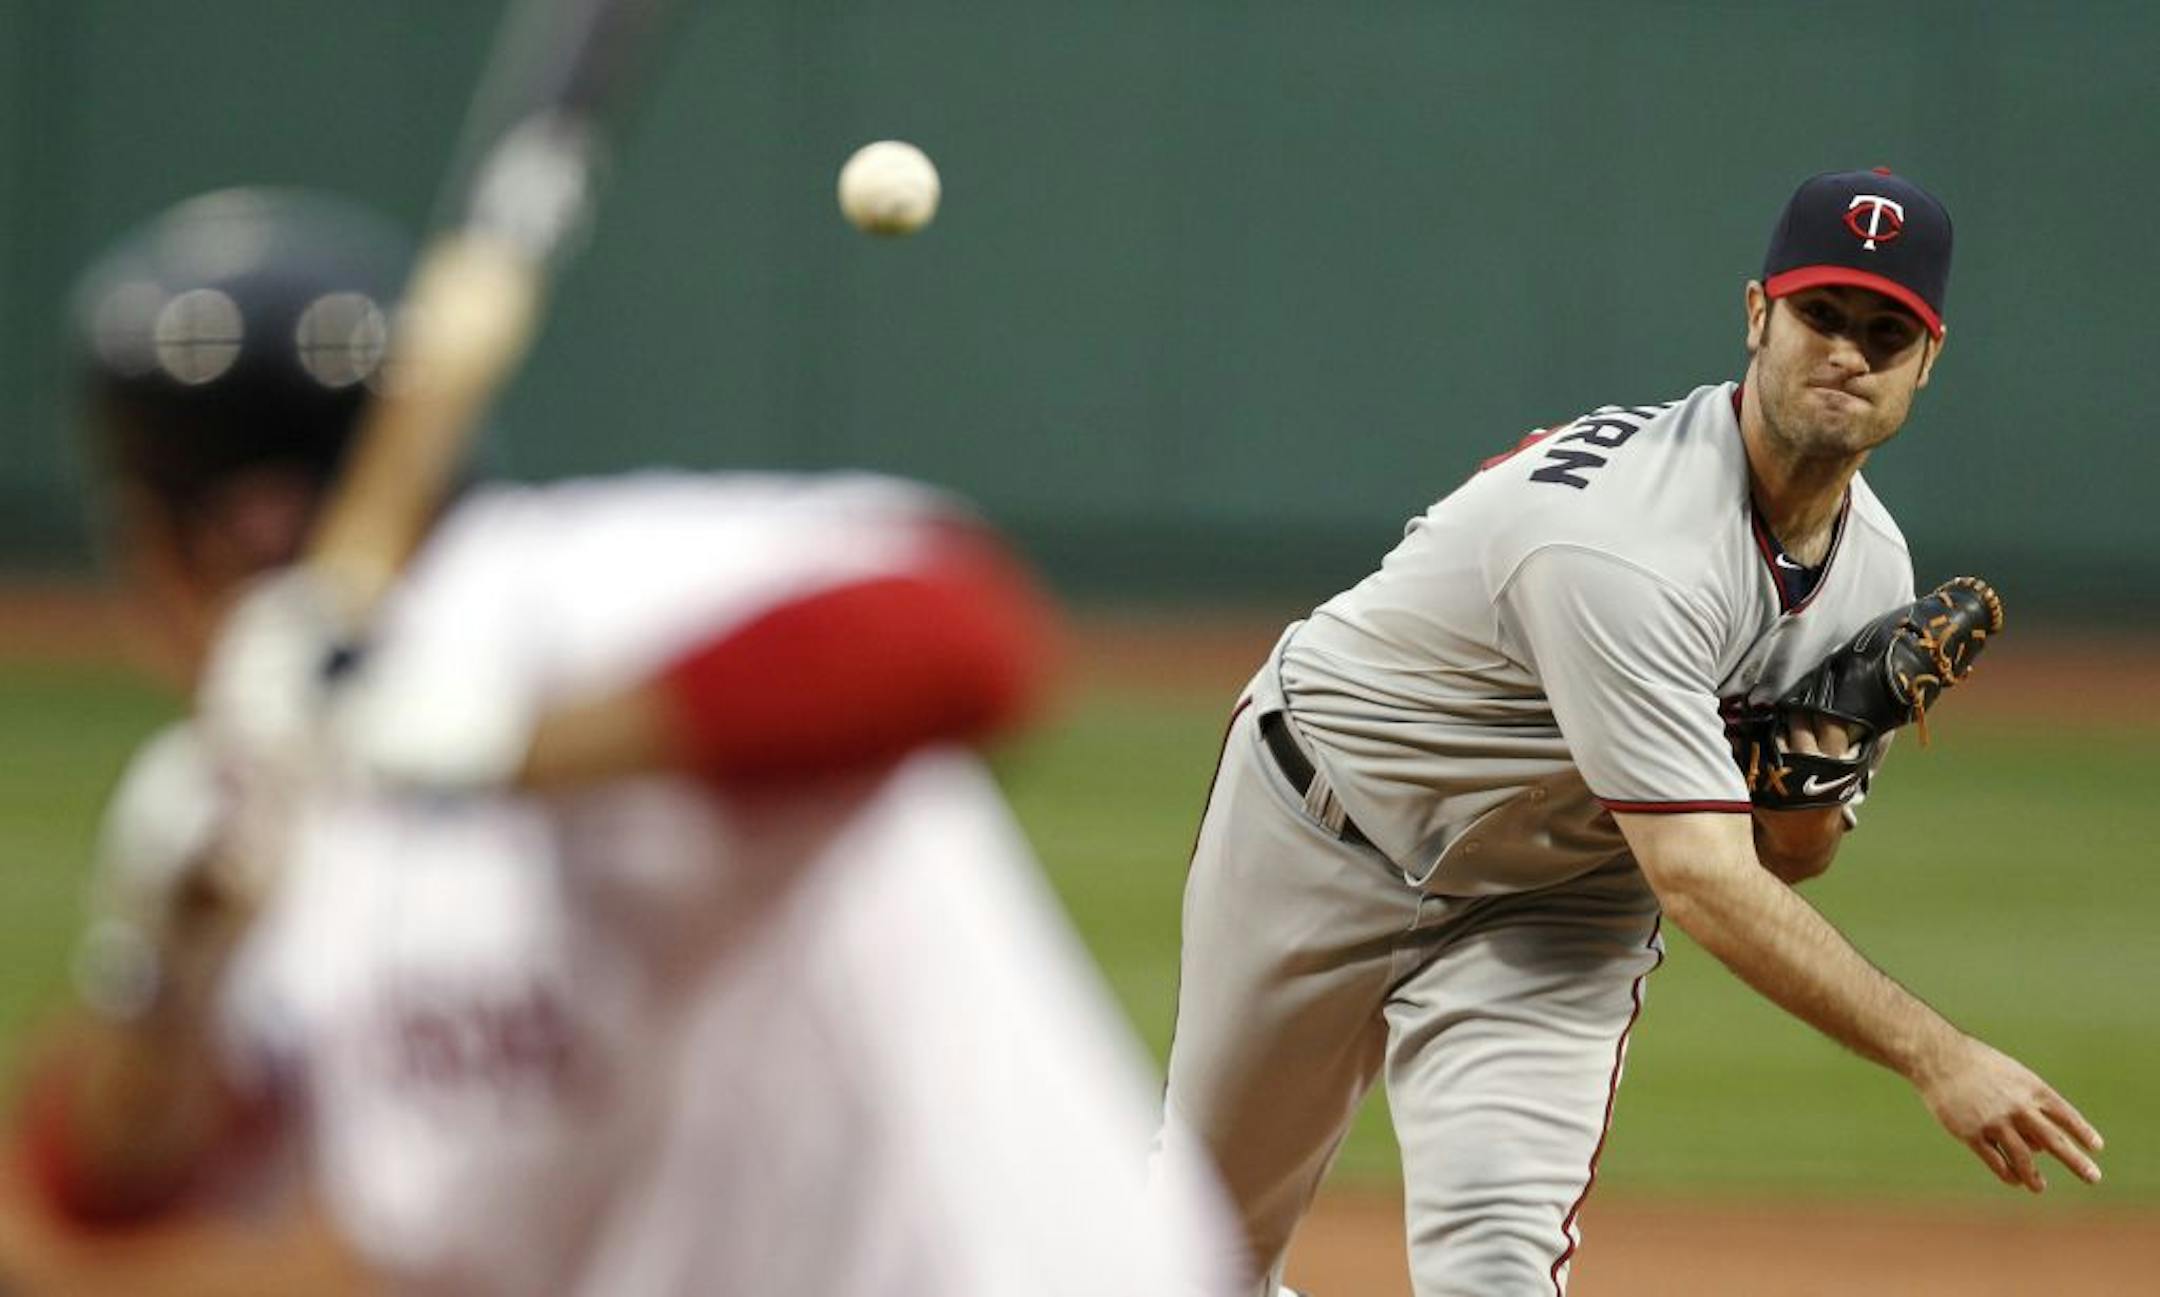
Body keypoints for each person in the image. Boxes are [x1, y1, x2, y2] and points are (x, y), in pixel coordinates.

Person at [9, 187, 1239, 1296]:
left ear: (169, 540)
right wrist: (167, 976)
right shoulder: (251, 788)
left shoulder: (573, 585)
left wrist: (488, 745)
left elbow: (961, 637)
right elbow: (102, 1185)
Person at [1156, 168, 2105, 1297]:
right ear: (1759, 315)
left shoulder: (1873, 573)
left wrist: (1821, 750)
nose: (1849, 351)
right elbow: (1703, 878)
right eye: (1823, 315)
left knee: (1497, 1267)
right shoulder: (1621, 543)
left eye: (1886, 331)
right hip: (1322, 824)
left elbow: (1792, 854)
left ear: (1926, 363)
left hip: (1562, 900)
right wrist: (1936, 1053)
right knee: (1190, 1257)